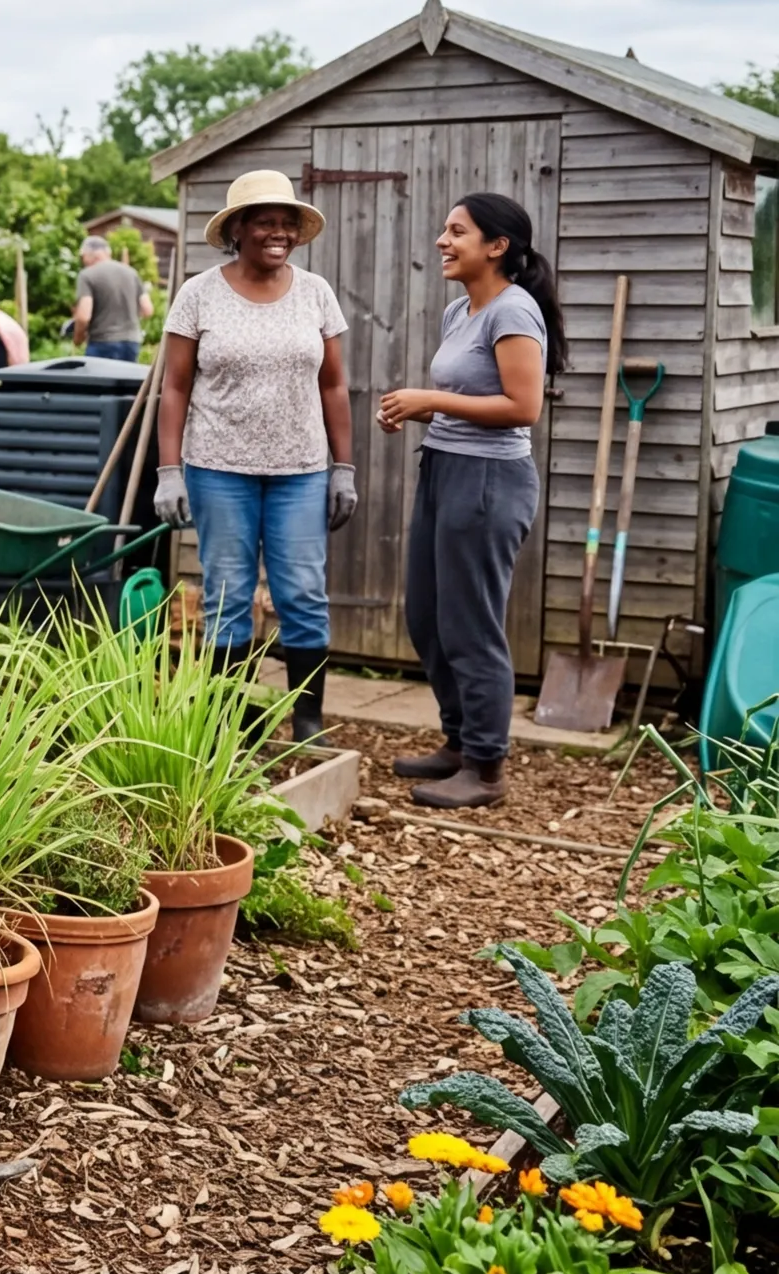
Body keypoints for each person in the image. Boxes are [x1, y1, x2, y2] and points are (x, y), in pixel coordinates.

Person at [152, 169, 358, 743]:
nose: (279, 233)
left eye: (287, 223)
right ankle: (229, 724)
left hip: (301, 470)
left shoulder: (316, 292)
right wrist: (170, 472)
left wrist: (344, 467)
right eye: (266, 222)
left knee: (302, 592)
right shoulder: (198, 294)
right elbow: (175, 388)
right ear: (236, 229)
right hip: (218, 468)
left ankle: (309, 720)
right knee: (227, 594)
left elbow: (334, 386)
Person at [374, 193, 565, 809]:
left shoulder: (514, 311)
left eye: (457, 231)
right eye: (444, 228)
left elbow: (523, 408)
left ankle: (486, 767)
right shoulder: (463, 310)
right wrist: (421, 411)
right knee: (428, 616)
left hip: (489, 482)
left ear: (497, 245)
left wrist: (430, 401)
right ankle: (459, 741)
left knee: (471, 624)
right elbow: (466, 392)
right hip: (445, 469)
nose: (442, 240)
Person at [71, 236, 151, 361]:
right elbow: (147, 310)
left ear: (92, 254)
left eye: (83, 256)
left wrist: (77, 339)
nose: (83, 261)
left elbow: (83, 317)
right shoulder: (131, 272)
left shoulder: (87, 275)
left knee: (98, 380)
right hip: (131, 342)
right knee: (126, 379)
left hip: (102, 343)